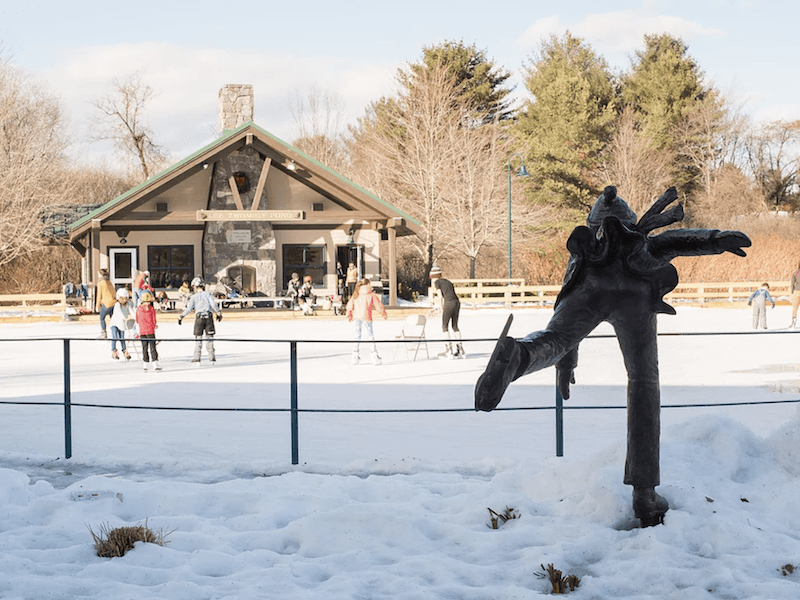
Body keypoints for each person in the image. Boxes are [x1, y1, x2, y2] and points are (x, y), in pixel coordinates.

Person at [474, 185, 751, 527]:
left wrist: (565, 360)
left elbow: (562, 318)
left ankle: (519, 356)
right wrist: (714, 239)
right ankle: (645, 495)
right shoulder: (641, 247)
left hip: (590, 287)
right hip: (635, 294)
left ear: (593, 227)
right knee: (644, 381)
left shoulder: (584, 256)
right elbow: (673, 241)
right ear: (632, 223)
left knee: (553, 339)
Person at [178, 277, 222, 366]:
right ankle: (212, 358)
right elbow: (213, 304)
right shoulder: (208, 294)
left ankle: (197, 358)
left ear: (196, 286)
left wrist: (181, 316)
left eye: (193, 286)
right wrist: (218, 313)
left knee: (198, 339)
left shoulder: (194, 297)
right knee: (209, 338)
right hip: (208, 317)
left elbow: (189, 308)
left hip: (199, 319)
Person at [346, 277, 387, 365]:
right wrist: (383, 313)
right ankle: (374, 355)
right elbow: (378, 305)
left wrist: (349, 314)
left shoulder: (356, 293)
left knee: (357, 336)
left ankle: (355, 355)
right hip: (367, 317)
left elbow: (350, 305)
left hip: (357, 316)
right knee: (370, 335)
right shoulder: (371, 294)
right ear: (368, 284)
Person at [429, 264, 464, 359]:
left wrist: (441, 308)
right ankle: (460, 348)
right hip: (457, 302)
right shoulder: (447, 281)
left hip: (449, 303)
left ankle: (449, 349)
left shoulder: (437, 283)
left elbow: (440, 296)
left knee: (444, 326)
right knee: (455, 326)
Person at [136, 290, 161, 371]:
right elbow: (153, 319)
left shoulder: (139, 309)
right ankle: (153, 363)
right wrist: (154, 325)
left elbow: (137, 319)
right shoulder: (151, 309)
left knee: (145, 348)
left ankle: (147, 364)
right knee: (151, 347)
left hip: (143, 331)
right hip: (149, 331)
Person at [109, 287, 134, 361]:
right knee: (114, 337)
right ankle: (114, 351)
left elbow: (131, 311)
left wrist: (135, 317)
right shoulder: (117, 305)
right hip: (115, 323)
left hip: (122, 324)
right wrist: (124, 317)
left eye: (125, 298)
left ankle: (124, 351)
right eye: (121, 298)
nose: (123, 300)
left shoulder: (128, 304)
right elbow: (119, 313)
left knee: (122, 338)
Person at [95, 268, 117, 339]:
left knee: (102, 318)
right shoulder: (109, 282)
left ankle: (103, 333)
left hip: (106, 303)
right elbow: (114, 292)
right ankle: (115, 332)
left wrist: (97, 305)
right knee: (113, 319)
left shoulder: (100, 283)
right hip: (112, 302)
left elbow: (99, 295)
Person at [791, 263, 800, 328]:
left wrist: (792, 291)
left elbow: (792, 283)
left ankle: (793, 321)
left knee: (795, 308)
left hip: (797, 291)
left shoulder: (796, 273)